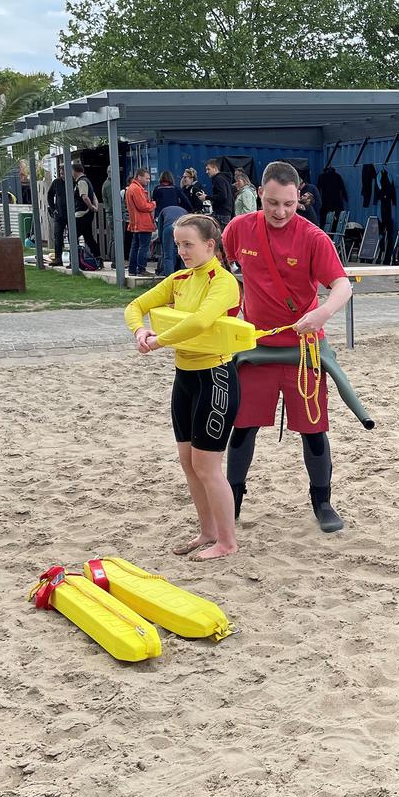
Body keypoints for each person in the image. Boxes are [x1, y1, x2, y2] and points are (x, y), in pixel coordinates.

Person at [221, 161, 354, 533]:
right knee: (243, 427)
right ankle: (232, 502)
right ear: (260, 194)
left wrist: (323, 313)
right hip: (254, 349)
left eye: (290, 204)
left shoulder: (313, 238)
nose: (280, 212)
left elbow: (342, 285)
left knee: (313, 428)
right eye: (273, 203)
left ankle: (323, 502)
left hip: (304, 350)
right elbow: (218, 272)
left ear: (300, 198)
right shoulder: (238, 229)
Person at [125, 214, 241, 561]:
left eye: (188, 244)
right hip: (186, 378)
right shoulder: (179, 279)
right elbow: (136, 306)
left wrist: (157, 341)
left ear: (210, 245)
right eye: (178, 244)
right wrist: (139, 332)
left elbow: (200, 321)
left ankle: (227, 541)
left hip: (216, 377)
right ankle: (207, 531)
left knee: (207, 466)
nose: (182, 251)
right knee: (189, 463)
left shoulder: (223, 283)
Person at [125, 167, 156, 277]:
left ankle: (132, 269)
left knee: (135, 247)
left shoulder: (130, 188)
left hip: (135, 222)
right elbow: (143, 206)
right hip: (143, 223)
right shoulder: (137, 189)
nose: (148, 181)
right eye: (147, 178)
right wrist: (153, 204)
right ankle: (141, 269)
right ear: (139, 177)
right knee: (143, 247)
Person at [71, 161, 101, 265]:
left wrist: (91, 207)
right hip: (87, 213)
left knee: (73, 236)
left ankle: (75, 260)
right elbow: (94, 196)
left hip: (81, 213)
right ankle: (98, 257)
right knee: (88, 237)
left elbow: (85, 196)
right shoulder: (88, 180)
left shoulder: (81, 182)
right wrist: (95, 207)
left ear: (75, 171)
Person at [46, 158, 68, 267]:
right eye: (61, 172)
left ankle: (74, 257)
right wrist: (53, 208)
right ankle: (58, 258)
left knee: (73, 236)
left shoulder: (73, 181)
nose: (62, 173)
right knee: (57, 235)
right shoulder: (57, 182)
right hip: (59, 214)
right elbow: (50, 195)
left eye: (63, 171)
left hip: (71, 214)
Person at [206, 158, 235, 226]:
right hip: (226, 213)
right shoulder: (223, 179)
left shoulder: (218, 179)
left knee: (219, 235)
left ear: (215, 169)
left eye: (208, 169)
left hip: (221, 214)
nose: (206, 172)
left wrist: (206, 197)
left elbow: (222, 196)